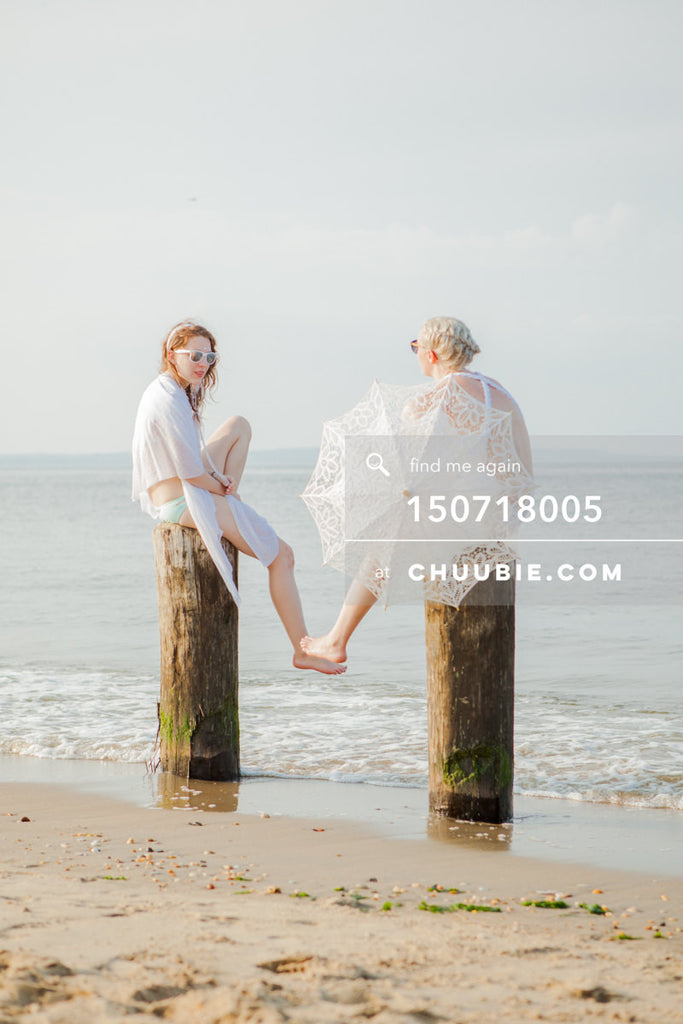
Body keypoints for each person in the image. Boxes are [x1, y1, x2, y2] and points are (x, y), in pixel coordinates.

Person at [301, 316, 533, 664]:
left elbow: (409, 443)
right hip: (503, 518)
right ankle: (337, 637)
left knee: (384, 541)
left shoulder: (444, 394)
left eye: (416, 347)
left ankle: (337, 639)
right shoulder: (495, 390)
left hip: (472, 523)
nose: (416, 354)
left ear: (432, 354)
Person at [132, 320, 345, 676]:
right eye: (194, 356)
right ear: (171, 355)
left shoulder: (173, 390)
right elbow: (189, 473)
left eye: (209, 357)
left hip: (184, 489)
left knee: (238, 425)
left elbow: (191, 464)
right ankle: (302, 650)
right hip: (182, 500)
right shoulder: (168, 398)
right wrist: (220, 487)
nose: (203, 364)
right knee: (282, 556)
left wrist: (221, 482)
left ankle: (231, 507)